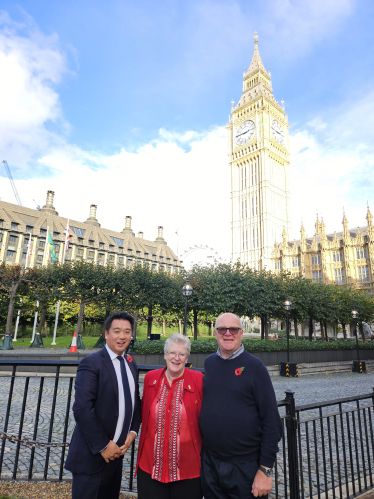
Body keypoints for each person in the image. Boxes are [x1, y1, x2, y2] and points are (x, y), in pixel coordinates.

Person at [199, 313, 283, 499]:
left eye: (233, 329)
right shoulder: (210, 362)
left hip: (246, 468)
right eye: (222, 329)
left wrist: (265, 471)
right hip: (210, 463)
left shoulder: (255, 367)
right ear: (215, 333)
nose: (227, 333)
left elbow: (272, 422)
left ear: (241, 333)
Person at [65, 311, 141, 499]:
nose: (122, 336)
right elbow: (82, 409)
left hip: (116, 459)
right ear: (106, 333)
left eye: (127, 331)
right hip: (92, 457)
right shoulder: (91, 363)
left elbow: (134, 401)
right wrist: (103, 445)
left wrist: (133, 431)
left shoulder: (131, 364)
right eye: (116, 331)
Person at [136, 333, 204, 499]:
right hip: (151, 467)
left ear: (187, 357)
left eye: (181, 354)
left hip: (188, 471)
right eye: (172, 353)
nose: (176, 358)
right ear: (165, 354)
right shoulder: (151, 378)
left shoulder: (199, 380)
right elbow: (142, 410)